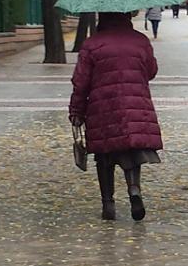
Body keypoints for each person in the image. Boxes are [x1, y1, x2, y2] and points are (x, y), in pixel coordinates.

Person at [69, 12, 162, 221]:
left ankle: (108, 204)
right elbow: (151, 71)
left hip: (102, 106)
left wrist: (76, 111)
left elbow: (80, 82)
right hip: (135, 104)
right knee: (132, 152)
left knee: (104, 156)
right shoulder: (140, 40)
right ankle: (134, 190)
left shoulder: (92, 44)